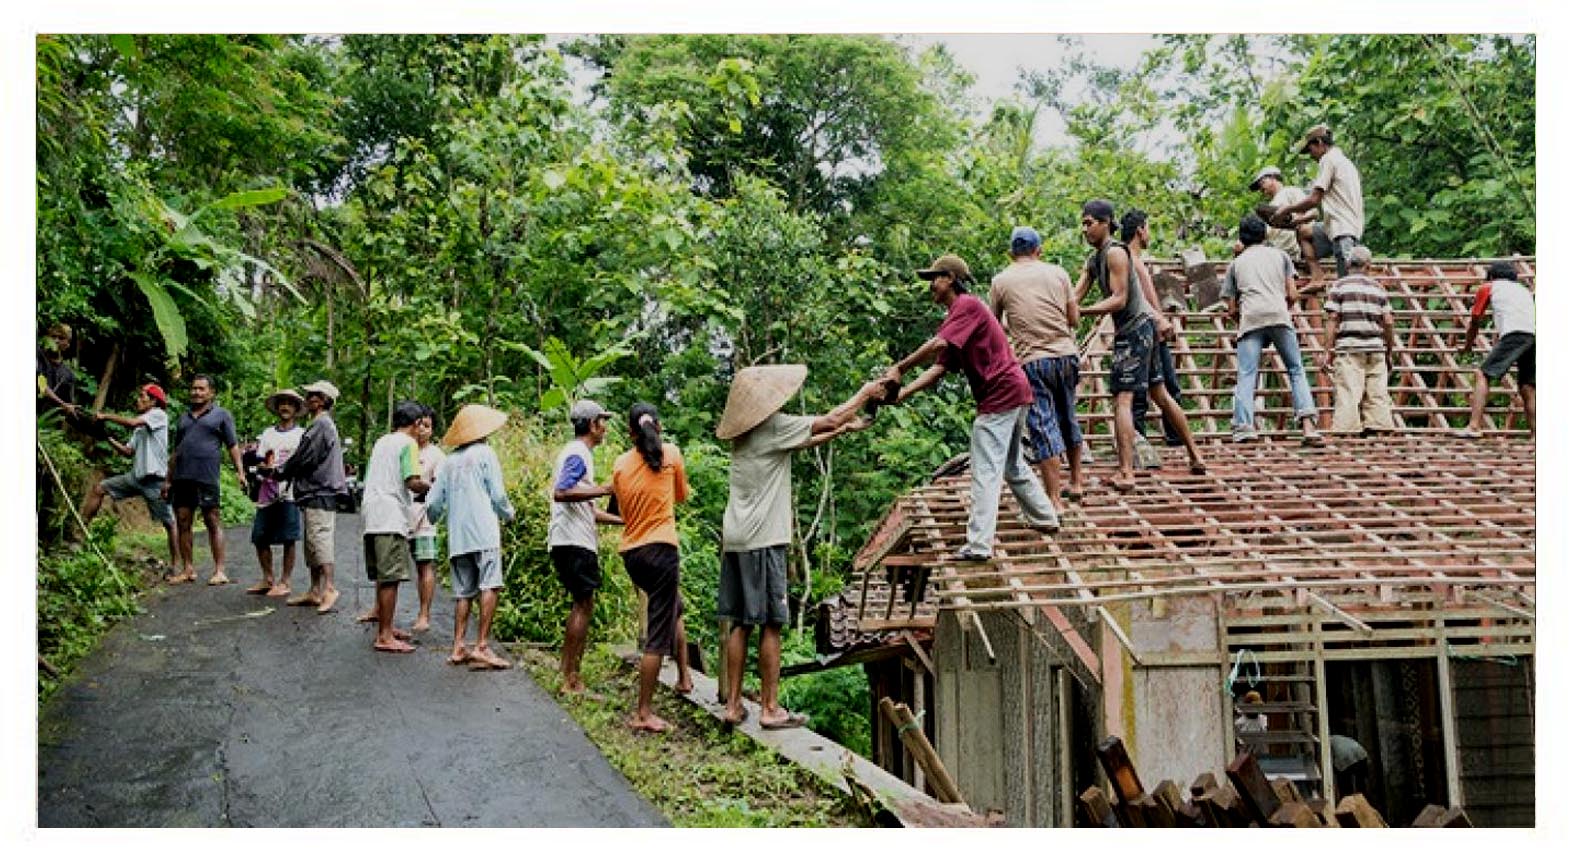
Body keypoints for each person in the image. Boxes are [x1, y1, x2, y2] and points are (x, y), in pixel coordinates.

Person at [715, 366, 882, 728]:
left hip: (737, 539)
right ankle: (770, 708)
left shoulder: (745, 435)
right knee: (772, 623)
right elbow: (826, 419)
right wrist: (865, 393)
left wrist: (843, 429)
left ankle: (732, 705)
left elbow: (806, 437)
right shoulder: (772, 427)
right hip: (764, 539)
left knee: (741, 623)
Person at [882, 253, 1061, 559]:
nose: (931, 287)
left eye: (934, 279)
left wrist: (901, 366)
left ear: (950, 278)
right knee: (1011, 463)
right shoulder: (959, 316)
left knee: (985, 471)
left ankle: (978, 545)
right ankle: (1045, 517)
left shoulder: (967, 306)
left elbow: (938, 344)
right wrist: (904, 394)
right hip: (1014, 392)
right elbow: (939, 367)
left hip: (1000, 395)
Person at [1075, 200, 1208, 491]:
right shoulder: (1094, 260)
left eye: (1089, 223)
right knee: (1159, 394)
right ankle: (1196, 456)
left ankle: (1126, 473)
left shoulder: (1115, 254)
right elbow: (1076, 295)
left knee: (1122, 399)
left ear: (1106, 222)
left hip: (1134, 330)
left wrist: (1082, 313)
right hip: (1141, 330)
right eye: (1083, 224)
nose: (1085, 229)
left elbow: (1119, 299)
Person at [609, 403, 695, 732]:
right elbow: (681, 496)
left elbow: (618, 507)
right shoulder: (670, 454)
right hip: (662, 550)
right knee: (657, 638)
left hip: (633, 555)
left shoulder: (619, 464)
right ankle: (643, 713)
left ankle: (685, 678)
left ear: (631, 432)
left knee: (673, 608)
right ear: (658, 427)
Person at [989, 226, 1087, 504]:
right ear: (1038, 251)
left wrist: (1014, 326)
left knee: (1043, 426)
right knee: (1068, 417)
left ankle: (1054, 500)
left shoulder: (1000, 281)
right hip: (1066, 356)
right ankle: (1077, 482)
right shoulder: (1058, 273)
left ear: (1011, 253)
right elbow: (1074, 319)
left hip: (1033, 361)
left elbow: (995, 328)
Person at [426, 404, 516, 669]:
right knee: (490, 585)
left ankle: (458, 646)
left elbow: (434, 503)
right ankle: (482, 646)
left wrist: (432, 520)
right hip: (484, 531)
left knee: (463, 592)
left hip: (458, 536)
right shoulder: (486, 453)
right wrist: (508, 514)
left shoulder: (449, 461)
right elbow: (498, 495)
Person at [1222, 216, 1324, 444]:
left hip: (1251, 319)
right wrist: (1282, 308)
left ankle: (1244, 427)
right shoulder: (1281, 256)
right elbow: (1293, 294)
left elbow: (1230, 308)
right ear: (1265, 235)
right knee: (1296, 369)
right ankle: (1309, 427)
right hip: (1279, 315)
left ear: (1241, 238)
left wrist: (1240, 318)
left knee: (1247, 374)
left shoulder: (1236, 265)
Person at [548, 399, 623, 694]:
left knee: (582, 603)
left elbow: (586, 508)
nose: (605, 427)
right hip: (573, 541)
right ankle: (571, 679)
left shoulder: (579, 454)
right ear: (592, 425)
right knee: (583, 604)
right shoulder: (579, 453)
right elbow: (562, 492)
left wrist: (622, 521)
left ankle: (567, 671)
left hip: (571, 538)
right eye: (602, 421)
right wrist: (605, 489)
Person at [82, 383, 178, 573]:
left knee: (169, 522)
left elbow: (132, 422)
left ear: (153, 401)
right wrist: (106, 437)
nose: (138, 399)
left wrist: (105, 416)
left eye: (143, 396)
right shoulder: (140, 428)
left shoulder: (159, 415)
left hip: (154, 481)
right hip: (136, 477)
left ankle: (176, 565)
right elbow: (127, 451)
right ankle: (82, 530)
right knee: (99, 489)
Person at [359, 401, 430, 654]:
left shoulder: (382, 442)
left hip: (372, 511)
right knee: (391, 576)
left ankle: (385, 625)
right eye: (422, 424)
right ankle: (385, 635)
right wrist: (433, 488)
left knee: (382, 573)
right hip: (391, 514)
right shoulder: (408, 444)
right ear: (415, 424)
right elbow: (412, 481)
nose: (423, 430)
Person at [165, 374, 246, 586]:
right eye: (193, 388)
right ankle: (188, 569)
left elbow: (232, 445)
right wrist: (168, 479)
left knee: (212, 519)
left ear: (211, 393)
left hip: (206, 476)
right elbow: (176, 450)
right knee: (183, 520)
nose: (196, 392)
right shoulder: (183, 418)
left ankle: (220, 570)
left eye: (201, 389)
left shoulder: (221, 415)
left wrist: (240, 471)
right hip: (182, 476)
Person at [276, 380, 348, 614]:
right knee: (311, 543)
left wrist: (282, 471)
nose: (309, 399)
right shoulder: (318, 424)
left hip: (321, 490)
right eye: (309, 395)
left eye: (315, 395)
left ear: (325, 400)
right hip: (313, 491)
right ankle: (314, 590)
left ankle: (329, 588)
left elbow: (304, 457)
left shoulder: (322, 425)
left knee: (320, 540)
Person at [1119, 210, 1187, 454]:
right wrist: (1159, 320)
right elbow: (1137, 300)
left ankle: (1173, 440)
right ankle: (1142, 443)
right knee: (1144, 393)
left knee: (1162, 388)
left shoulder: (1134, 259)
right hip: (1144, 332)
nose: (1149, 234)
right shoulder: (1129, 260)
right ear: (1140, 230)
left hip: (1151, 332)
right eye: (1147, 228)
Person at [1320, 246, 1396, 434]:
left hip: (1349, 346)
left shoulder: (1339, 286)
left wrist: (1327, 351)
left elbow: (1332, 319)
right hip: (1376, 347)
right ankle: (1379, 427)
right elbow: (1388, 321)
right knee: (1377, 393)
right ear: (1368, 266)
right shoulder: (1378, 289)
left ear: (1347, 264)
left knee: (1348, 392)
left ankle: (1347, 433)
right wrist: (1389, 350)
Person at [1273, 125, 1365, 279]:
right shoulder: (1344, 161)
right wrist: (1300, 219)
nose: (1311, 156)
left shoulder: (1328, 159)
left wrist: (1286, 209)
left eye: (1310, 150)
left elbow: (1314, 199)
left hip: (1343, 230)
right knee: (1304, 232)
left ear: (1320, 143)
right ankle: (1317, 277)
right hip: (1340, 227)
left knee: (1348, 280)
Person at [1457, 262, 1535, 437]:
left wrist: (1467, 346)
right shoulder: (1523, 290)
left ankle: (1474, 427)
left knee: (1482, 374)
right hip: (1532, 335)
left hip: (1514, 334)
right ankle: (1536, 436)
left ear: (1491, 276)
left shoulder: (1488, 287)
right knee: (1527, 387)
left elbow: (1475, 320)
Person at [246, 390, 307, 597]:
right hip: (267, 490)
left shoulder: (301, 435)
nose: (285, 407)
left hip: (290, 493)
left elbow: (303, 462)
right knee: (260, 536)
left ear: (296, 409)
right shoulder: (268, 434)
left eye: (290, 404)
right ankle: (267, 577)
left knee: (289, 537)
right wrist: (263, 468)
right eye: (282, 403)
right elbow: (260, 459)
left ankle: (285, 581)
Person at [1249, 166, 1334, 283]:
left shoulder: (1290, 192)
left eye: (1262, 182)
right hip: (1278, 255)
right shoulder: (1271, 205)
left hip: (1296, 253)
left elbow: (1314, 213)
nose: (1261, 188)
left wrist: (1295, 222)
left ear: (1273, 178)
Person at [407, 405, 445, 633]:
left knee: (425, 565)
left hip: (424, 517)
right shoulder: (403, 449)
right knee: (389, 566)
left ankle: (424, 614)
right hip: (400, 514)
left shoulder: (437, 455)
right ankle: (378, 609)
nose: (422, 430)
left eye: (427, 426)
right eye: (419, 424)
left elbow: (438, 488)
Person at [37, 323, 80, 421]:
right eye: (53, 336)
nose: (56, 340)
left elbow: (68, 405)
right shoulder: (38, 356)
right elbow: (41, 385)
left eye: (61, 338)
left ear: (68, 344)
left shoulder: (68, 374)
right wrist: (64, 405)